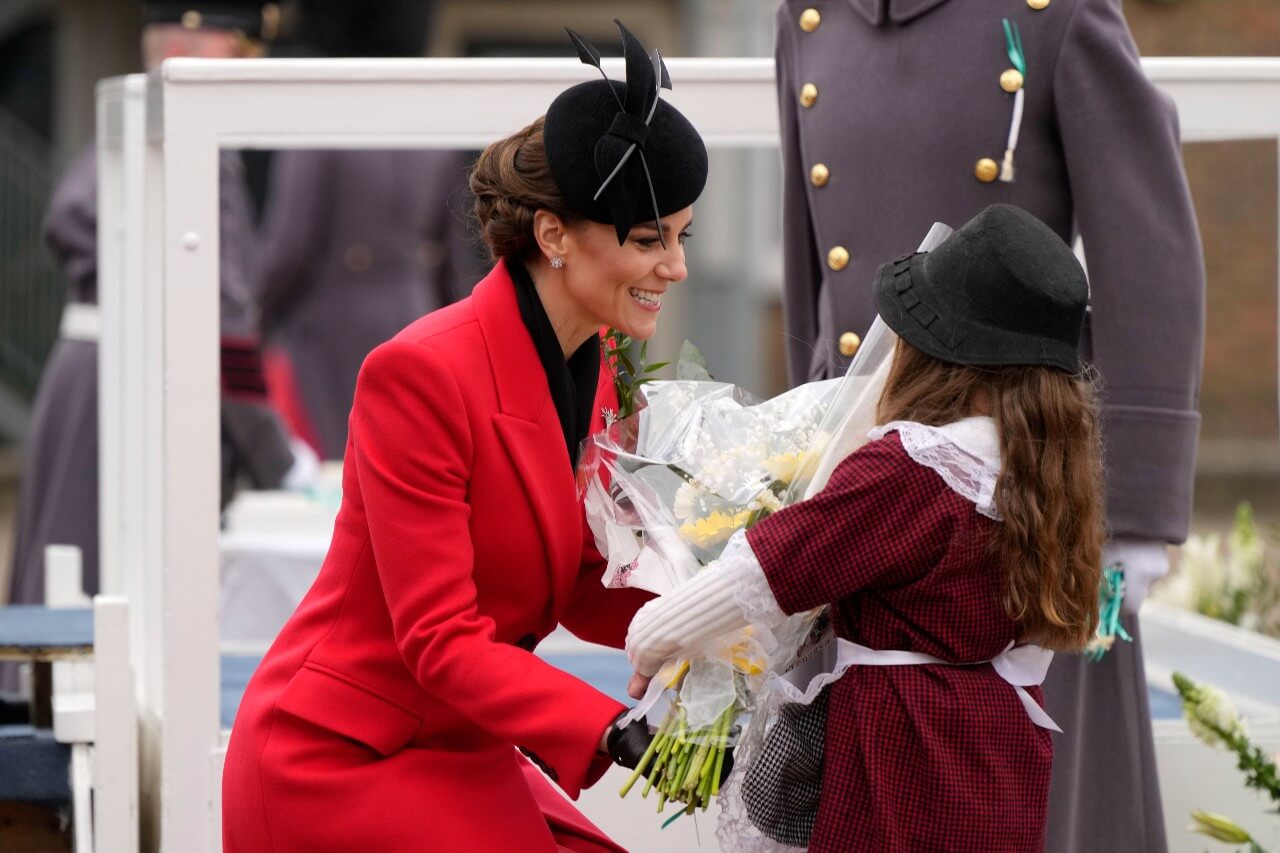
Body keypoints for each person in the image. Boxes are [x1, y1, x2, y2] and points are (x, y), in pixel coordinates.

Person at [221, 21, 707, 851]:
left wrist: (721, 616)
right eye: (647, 239)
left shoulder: (596, 360)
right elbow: (440, 639)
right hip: (341, 759)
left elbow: (584, 576)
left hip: (464, 744)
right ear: (554, 236)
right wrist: (618, 731)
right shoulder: (419, 374)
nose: (677, 267)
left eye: (682, 236)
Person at [772, 1, 1203, 847]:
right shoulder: (808, 15)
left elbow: (1146, 250)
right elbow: (810, 271)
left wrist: (1136, 513)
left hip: (1019, 499)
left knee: (1037, 808)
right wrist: (797, 454)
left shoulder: (1058, 14)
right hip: (863, 487)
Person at [627, 204, 1107, 851]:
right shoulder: (1042, 471)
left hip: (902, 750)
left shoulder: (916, 466)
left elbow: (768, 567)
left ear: (934, 353)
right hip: (999, 755)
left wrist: (653, 637)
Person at [6, 0, 304, 617]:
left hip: (93, 377)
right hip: (137, 392)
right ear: (192, 50)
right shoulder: (192, 150)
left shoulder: (127, 136)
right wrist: (277, 459)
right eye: (242, 53)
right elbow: (220, 333)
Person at [253, 0, 485, 459]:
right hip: (416, 314)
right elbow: (453, 256)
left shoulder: (324, 120)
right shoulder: (433, 124)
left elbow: (289, 249)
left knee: (334, 474)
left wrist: (247, 324)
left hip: (330, 328)